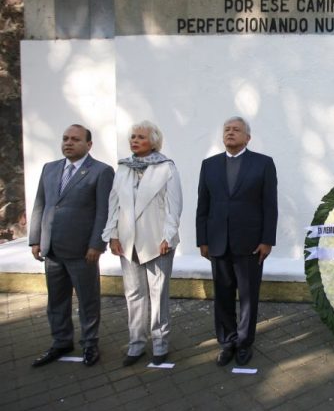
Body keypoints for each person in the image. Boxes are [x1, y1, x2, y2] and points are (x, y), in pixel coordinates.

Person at [28, 124, 115, 367]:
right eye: (65, 138)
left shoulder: (101, 171)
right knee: (56, 301)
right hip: (52, 249)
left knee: (88, 301)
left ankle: (90, 344)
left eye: (75, 139)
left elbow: (104, 211)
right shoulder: (50, 168)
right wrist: (35, 239)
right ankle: (61, 341)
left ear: (89, 144)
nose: (68, 143)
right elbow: (40, 204)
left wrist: (97, 244)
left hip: (83, 251)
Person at [196, 116, 278, 367]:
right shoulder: (209, 165)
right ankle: (227, 342)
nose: (230, 133)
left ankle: (244, 343)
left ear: (247, 138)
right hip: (218, 242)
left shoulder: (263, 164)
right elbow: (203, 206)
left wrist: (267, 240)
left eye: (236, 130)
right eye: (227, 130)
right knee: (222, 295)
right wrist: (202, 240)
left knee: (248, 297)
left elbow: (270, 205)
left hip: (250, 243)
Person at [102, 121, 182, 366]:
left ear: (154, 142)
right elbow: (114, 203)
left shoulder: (166, 167)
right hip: (128, 242)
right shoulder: (123, 168)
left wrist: (168, 236)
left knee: (158, 294)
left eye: (141, 137)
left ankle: (160, 343)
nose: (134, 140)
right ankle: (136, 344)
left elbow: (174, 206)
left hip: (157, 241)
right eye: (133, 137)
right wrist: (113, 234)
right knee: (134, 294)